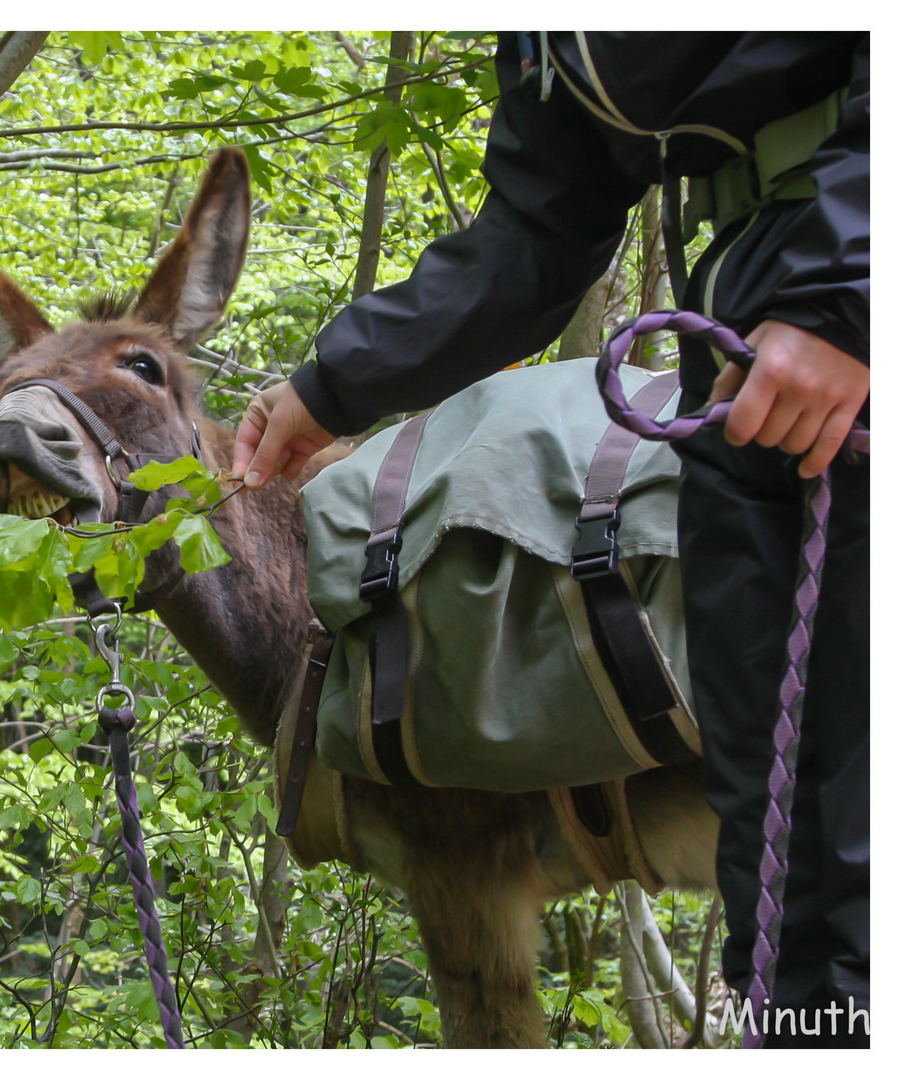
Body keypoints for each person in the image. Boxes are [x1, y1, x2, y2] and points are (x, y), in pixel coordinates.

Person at [233, 33, 869, 1047]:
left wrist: (847, 288)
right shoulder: (545, 39)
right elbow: (538, 228)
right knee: (805, 862)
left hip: (830, 314)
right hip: (750, 350)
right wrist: (329, 388)